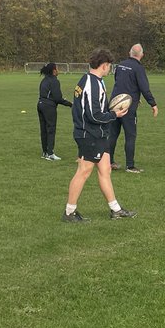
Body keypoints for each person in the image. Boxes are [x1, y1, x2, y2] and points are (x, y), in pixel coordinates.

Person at [63, 48, 137, 223]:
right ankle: (69, 212)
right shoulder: (92, 83)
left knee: (105, 170)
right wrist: (115, 115)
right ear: (104, 65)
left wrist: (113, 109)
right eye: (109, 66)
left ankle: (115, 210)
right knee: (84, 171)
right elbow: (94, 115)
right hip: (90, 134)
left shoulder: (95, 81)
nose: (110, 69)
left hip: (99, 133)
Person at [108, 43, 159, 173]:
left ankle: (109, 162)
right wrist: (153, 104)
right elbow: (144, 88)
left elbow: (120, 82)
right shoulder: (138, 68)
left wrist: (135, 97)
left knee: (113, 134)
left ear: (130, 53)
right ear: (141, 55)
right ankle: (130, 166)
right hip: (127, 108)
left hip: (114, 104)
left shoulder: (120, 65)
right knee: (130, 136)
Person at [37, 62, 73, 161]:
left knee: (43, 130)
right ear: (54, 71)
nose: (58, 70)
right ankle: (50, 154)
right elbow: (58, 98)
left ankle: (45, 152)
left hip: (40, 104)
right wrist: (70, 104)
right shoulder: (54, 81)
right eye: (57, 68)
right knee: (51, 129)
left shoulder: (44, 80)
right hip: (49, 107)